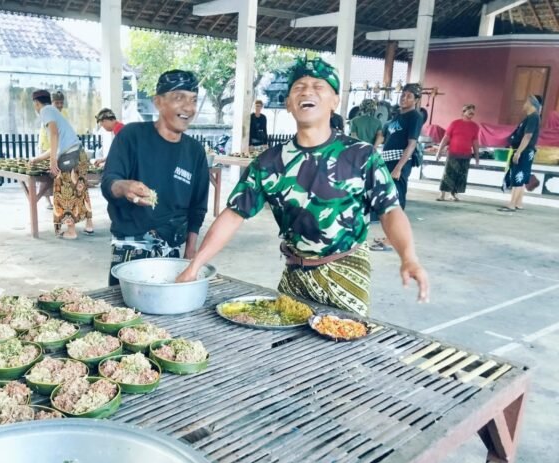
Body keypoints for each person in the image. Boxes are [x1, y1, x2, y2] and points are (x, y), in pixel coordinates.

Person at [176, 56, 429, 316]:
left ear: (335, 101)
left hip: (347, 272)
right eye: (298, 87)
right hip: (294, 274)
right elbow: (232, 215)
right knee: (286, 346)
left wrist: (408, 257)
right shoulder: (268, 162)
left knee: (342, 348)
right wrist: (195, 266)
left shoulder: (361, 155)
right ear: (288, 104)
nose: (307, 90)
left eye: (318, 86)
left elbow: (389, 211)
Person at [101, 69, 209, 286]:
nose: (188, 107)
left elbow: (197, 207)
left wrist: (190, 251)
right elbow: (109, 182)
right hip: (130, 246)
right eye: (179, 98)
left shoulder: (195, 151)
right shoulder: (131, 136)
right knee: (122, 314)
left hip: (172, 248)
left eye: (193, 100)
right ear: (158, 102)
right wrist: (124, 187)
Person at [30, 90, 94, 238]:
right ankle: (89, 226)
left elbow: (54, 135)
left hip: (69, 157)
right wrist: (37, 159)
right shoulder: (54, 112)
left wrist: (53, 161)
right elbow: (55, 145)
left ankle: (71, 232)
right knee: (81, 189)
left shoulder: (45, 110)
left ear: (36, 103)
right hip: (79, 154)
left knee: (64, 193)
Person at [370, 83, 424, 252]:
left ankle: (393, 240)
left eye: (409, 96)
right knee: (386, 201)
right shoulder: (395, 117)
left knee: (396, 202)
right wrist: (374, 148)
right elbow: (383, 134)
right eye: (403, 95)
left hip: (398, 163)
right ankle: (389, 236)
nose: (404, 98)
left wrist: (399, 167)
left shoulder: (414, 117)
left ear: (416, 100)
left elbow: (412, 144)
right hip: (385, 162)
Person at [499, 95, 542, 212]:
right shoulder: (531, 117)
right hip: (525, 151)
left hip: (524, 151)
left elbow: (528, 136)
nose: (524, 105)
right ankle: (518, 203)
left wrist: (518, 152)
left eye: (525, 102)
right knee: (522, 178)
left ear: (531, 104)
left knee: (518, 177)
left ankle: (512, 204)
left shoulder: (533, 117)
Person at [435, 104, 480, 201]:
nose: (471, 114)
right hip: (453, 153)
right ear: (463, 112)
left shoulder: (475, 126)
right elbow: (446, 138)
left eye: (473, 112)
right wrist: (439, 151)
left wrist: (477, 156)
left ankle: (453, 194)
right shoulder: (454, 123)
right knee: (448, 174)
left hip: (466, 155)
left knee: (460, 176)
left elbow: (475, 142)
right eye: (469, 111)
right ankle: (442, 194)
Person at [33, 89, 54, 210]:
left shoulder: (47, 114)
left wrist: (37, 159)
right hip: (47, 149)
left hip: (57, 152)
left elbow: (56, 144)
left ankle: (36, 199)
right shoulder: (49, 113)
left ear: (37, 103)